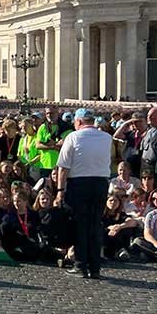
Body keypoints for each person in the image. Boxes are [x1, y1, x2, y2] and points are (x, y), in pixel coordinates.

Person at [56, 108, 113, 279]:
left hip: (79, 184)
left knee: (80, 225)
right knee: (95, 225)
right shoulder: (107, 138)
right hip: (101, 184)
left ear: (79, 122)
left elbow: (63, 168)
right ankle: (95, 267)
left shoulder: (73, 137)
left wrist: (60, 191)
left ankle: (80, 265)